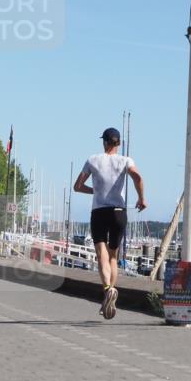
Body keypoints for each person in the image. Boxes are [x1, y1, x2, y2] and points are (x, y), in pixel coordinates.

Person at [73, 127, 146, 319]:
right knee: (113, 256)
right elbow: (137, 176)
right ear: (118, 143)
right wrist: (142, 198)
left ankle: (107, 290)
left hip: (99, 212)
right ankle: (111, 290)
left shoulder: (93, 160)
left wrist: (95, 191)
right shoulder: (126, 160)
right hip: (119, 212)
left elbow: (77, 186)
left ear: (104, 142)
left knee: (101, 253)